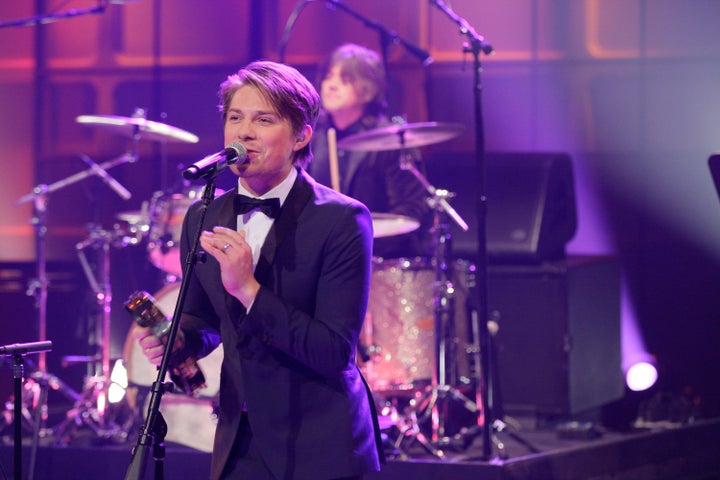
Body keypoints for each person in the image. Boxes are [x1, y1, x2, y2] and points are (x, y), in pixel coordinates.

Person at [132, 60, 384, 480]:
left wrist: (248, 290)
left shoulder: (342, 220)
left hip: (320, 444)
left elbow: (334, 351)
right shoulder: (204, 215)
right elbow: (204, 320)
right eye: (235, 118)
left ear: (301, 134)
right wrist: (178, 340)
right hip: (238, 441)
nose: (243, 132)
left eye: (263, 119)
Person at [308, 43, 432, 259]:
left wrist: (358, 244)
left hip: (382, 259)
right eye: (329, 76)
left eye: (345, 79)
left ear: (367, 88)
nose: (331, 85)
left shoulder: (391, 142)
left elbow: (410, 210)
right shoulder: (314, 136)